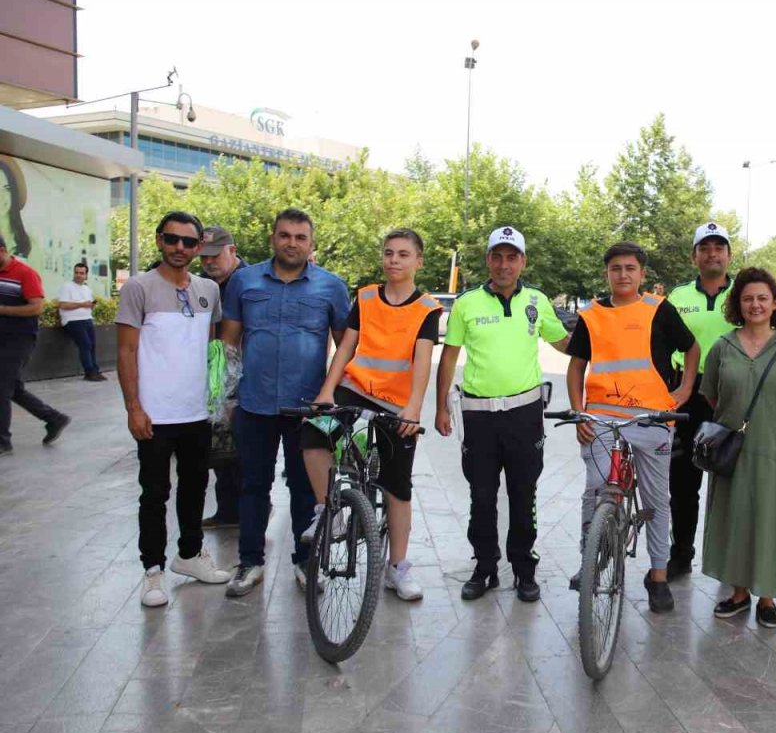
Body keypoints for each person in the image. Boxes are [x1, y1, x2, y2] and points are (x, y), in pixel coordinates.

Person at [219, 208, 351, 597]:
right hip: (254, 403)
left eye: (300, 236)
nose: (292, 242)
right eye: (285, 235)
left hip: (308, 408)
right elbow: (229, 343)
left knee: (305, 488)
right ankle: (250, 561)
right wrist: (226, 397)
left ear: (311, 243)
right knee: (252, 485)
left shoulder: (331, 287)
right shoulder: (243, 281)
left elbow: (346, 345)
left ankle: (305, 562)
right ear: (273, 238)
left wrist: (332, 396)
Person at [434, 226, 570, 602]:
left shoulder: (538, 302)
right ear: (488, 260)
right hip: (479, 416)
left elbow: (564, 342)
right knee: (482, 495)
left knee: (523, 493)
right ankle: (485, 567)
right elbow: (449, 356)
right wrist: (440, 406)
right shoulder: (467, 304)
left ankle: (524, 568)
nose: (504, 264)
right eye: (498, 256)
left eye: (512, 257)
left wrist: (605, 339)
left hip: (525, 415)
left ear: (523, 261)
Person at [302, 228, 438, 600]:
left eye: (403, 254)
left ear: (418, 262)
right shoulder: (365, 297)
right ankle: (330, 511)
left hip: (396, 404)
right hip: (355, 390)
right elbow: (346, 347)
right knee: (314, 435)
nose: (394, 260)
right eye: (389, 252)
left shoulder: (427, 308)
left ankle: (398, 566)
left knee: (398, 485)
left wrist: (413, 407)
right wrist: (327, 390)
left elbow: (423, 360)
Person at [566, 242, 698, 612]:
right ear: (607, 273)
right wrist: (579, 412)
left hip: (652, 417)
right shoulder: (591, 315)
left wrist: (684, 389)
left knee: (657, 500)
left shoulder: (659, 309)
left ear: (641, 274)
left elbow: (692, 348)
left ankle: (657, 575)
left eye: (630, 268)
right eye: (615, 269)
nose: (622, 275)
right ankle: (591, 561)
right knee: (595, 490)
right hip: (602, 417)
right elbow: (576, 366)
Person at [115, 211, 231, 606]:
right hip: (155, 416)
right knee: (154, 492)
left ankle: (190, 555)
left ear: (199, 247)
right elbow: (126, 351)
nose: (179, 248)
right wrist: (134, 407)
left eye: (188, 242)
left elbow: (209, 347)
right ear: (160, 240)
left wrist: (215, 400)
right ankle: (152, 570)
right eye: (172, 239)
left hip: (196, 413)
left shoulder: (209, 290)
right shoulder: (137, 288)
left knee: (197, 486)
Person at [701, 267, 776, 628]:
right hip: (731, 451)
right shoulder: (723, 347)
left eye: (763, 297)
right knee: (733, 518)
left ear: (775, 302)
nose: (755, 304)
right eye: (748, 298)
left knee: (771, 519)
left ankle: (767, 596)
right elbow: (713, 395)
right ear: (738, 303)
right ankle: (737, 593)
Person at [665, 221, 735, 579]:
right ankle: (682, 554)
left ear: (729, 254)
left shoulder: (744, 294)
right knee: (683, 482)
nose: (712, 254)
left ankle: (729, 562)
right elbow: (660, 347)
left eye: (718, 247)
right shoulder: (677, 297)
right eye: (705, 248)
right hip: (688, 395)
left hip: (733, 396)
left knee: (732, 483)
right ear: (694, 256)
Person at [0, 234, 70, 456]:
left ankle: (2, 441)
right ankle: (53, 418)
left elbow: (36, 308)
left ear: (2, 250)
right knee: (13, 388)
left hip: (18, 339)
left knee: (1, 388)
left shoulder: (25, 274)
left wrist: (2, 310)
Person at [198, 226, 248, 530]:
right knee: (219, 447)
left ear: (232, 249)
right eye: (203, 258)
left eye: (214, 256)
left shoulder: (249, 282)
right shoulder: (206, 285)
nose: (208, 262)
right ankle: (227, 510)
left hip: (243, 379)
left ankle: (249, 510)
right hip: (214, 377)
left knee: (241, 450)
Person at [57, 262, 106, 381]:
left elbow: (86, 305)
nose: (78, 275)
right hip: (72, 320)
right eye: (76, 272)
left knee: (92, 345)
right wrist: (82, 304)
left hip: (87, 319)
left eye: (81, 273)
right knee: (85, 345)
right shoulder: (67, 286)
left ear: (86, 275)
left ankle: (95, 370)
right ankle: (89, 372)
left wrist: (89, 305)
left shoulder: (87, 289)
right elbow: (63, 305)